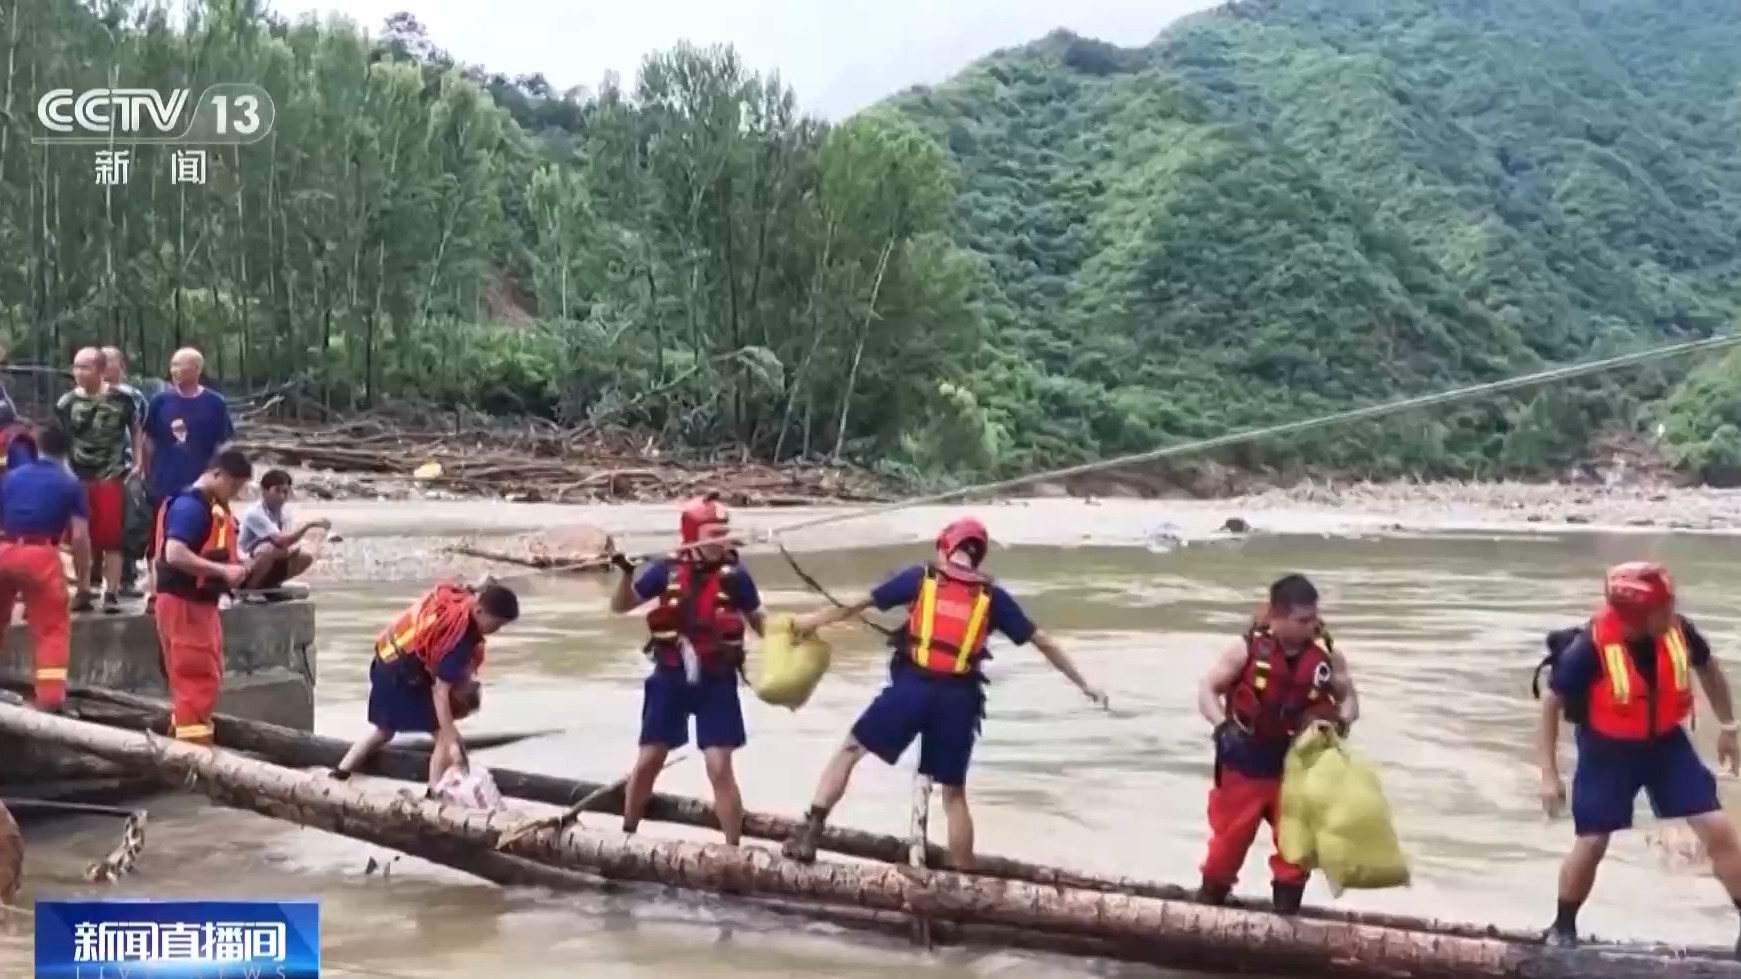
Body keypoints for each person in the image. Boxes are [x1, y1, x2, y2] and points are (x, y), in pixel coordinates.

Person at [782, 516, 1107, 871]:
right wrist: (1085, 685)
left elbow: (857, 604)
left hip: (912, 689)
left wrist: (810, 622)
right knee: (953, 794)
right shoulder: (992, 597)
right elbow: (1042, 640)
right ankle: (966, 881)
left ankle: (809, 834)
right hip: (959, 701)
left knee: (849, 751)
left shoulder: (921, 578)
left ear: (946, 546)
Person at [1537, 561, 1741, 952]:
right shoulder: (1589, 648)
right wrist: (1549, 773)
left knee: (1716, 828)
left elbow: (1709, 669)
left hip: (1665, 744)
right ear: (1635, 616)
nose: (1672, 613)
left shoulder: (1679, 630)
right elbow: (1551, 701)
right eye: (1662, 609)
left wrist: (1729, 727)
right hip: (1607, 750)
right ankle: (1562, 927)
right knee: (1592, 842)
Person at [1194, 573, 1358, 914]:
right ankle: (1209, 903)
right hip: (1247, 759)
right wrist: (1221, 727)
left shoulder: (1328, 656)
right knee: (1229, 841)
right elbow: (1208, 688)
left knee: (1297, 845)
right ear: (1276, 616)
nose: (1312, 626)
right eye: (1302, 620)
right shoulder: (1245, 650)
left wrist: (1341, 723)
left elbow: (1349, 699)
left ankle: (1286, 916)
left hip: (1298, 763)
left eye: (1314, 618)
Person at [608, 493, 765, 845]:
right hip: (670, 676)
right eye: (714, 533)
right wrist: (626, 574)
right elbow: (621, 606)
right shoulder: (665, 570)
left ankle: (733, 851)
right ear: (693, 535)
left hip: (717, 680)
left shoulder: (737, 576)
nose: (722, 540)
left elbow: (760, 621)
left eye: (725, 532)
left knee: (719, 766)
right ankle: (626, 837)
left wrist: (791, 641)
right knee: (649, 759)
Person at [331, 580, 520, 792]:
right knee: (441, 735)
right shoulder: (457, 641)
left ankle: (339, 774)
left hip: (386, 660)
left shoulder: (461, 601)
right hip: (400, 675)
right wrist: (450, 738)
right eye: (496, 624)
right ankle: (433, 792)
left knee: (384, 731)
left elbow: (464, 585)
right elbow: (440, 693)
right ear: (479, 611)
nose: (496, 630)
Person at [154, 448, 253, 744]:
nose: (234, 494)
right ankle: (192, 752)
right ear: (217, 474)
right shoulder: (191, 507)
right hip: (185, 603)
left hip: (196, 603)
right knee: (195, 676)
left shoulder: (208, 506)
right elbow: (174, 553)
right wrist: (222, 571)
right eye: (233, 486)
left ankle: (185, 738)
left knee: (203, 672)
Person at [0, 426, 89, 711]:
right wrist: (84, 580)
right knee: (51, 628)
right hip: (41, 556)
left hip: (4, 549)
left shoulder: (11, 477)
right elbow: (79, 537)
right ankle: (49, 699)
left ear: (37, 448)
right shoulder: (70, 484)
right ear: (68, 451)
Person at [141, 347, 234, 610]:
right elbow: (147, 440)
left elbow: (224, 445)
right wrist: (147, 474)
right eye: (172, 365)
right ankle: (156, 591)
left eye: (179, 365)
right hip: (166, 480)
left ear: (197, 369)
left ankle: (213, 587)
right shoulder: (160, 402)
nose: (174, 371)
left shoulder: (215, 404)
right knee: (160, 537)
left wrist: (221, 479)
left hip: (203, 484)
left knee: (212, 534)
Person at [57, 347, 141, 613]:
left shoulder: (123, 399)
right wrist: (64, 469)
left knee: (112, 538)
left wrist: (138, 461)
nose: (78, 373)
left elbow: (136, 429)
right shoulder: (67, 403)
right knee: (80, 538)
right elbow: (61, 439)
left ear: (101, 370)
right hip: (78, 476)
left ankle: (111, 593)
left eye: (85, 367)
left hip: (111, 475)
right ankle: (83, 589)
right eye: (76, 367)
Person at [100, 345, 150, 598]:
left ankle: (127, 578)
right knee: (97, 521)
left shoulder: (133, 396)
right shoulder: (87, 393)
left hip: (127, 466)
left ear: (121, 365)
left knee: (131, 521)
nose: (105, 365)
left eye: (109, 360)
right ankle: (95, 578)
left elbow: (141, 431)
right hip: (95, 468)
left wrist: (141, 464)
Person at [238, 469, 328, 591]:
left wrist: (289, 549)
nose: (282, 496)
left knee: (305, 556)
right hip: (245, 562)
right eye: (277, 491)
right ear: (264, 491)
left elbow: (289, 541)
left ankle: (271, 585)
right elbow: (281, 540)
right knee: (267, 550)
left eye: (285, 492)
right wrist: (309, 525)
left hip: (272, 556)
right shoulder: (254, 513)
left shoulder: (286, 512)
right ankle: (249, 589)